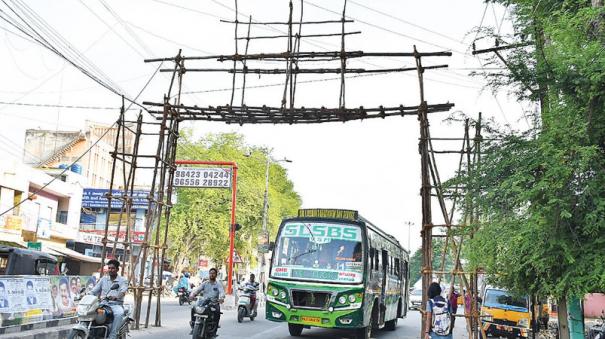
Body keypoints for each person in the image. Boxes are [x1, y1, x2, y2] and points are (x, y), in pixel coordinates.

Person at [89, 259, 128, 339]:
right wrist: (87, 295)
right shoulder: (103, 279)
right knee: (89, 311)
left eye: (113, 268)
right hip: (103, 304)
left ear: (117, 269)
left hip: (116, 305)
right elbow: (94, 290)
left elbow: (123, 292)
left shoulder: (123, 280)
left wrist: (116, 296)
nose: (110, 270)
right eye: (109, 268)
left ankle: (112, 335)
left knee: (119, 313)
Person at [189, 268, 225, 337]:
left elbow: (222, 292)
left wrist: (221, 298)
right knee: (193, 308)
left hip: (213, 303)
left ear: (216, 275)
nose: (212, 274)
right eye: (210, 273)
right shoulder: (205, 283)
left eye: (213, 273)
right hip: (203, 302)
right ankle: (193, 325)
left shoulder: (218, 284)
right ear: (209, 274)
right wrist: (192, 295)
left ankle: (214, 331)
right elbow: (197, 290)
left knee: (217, 312)